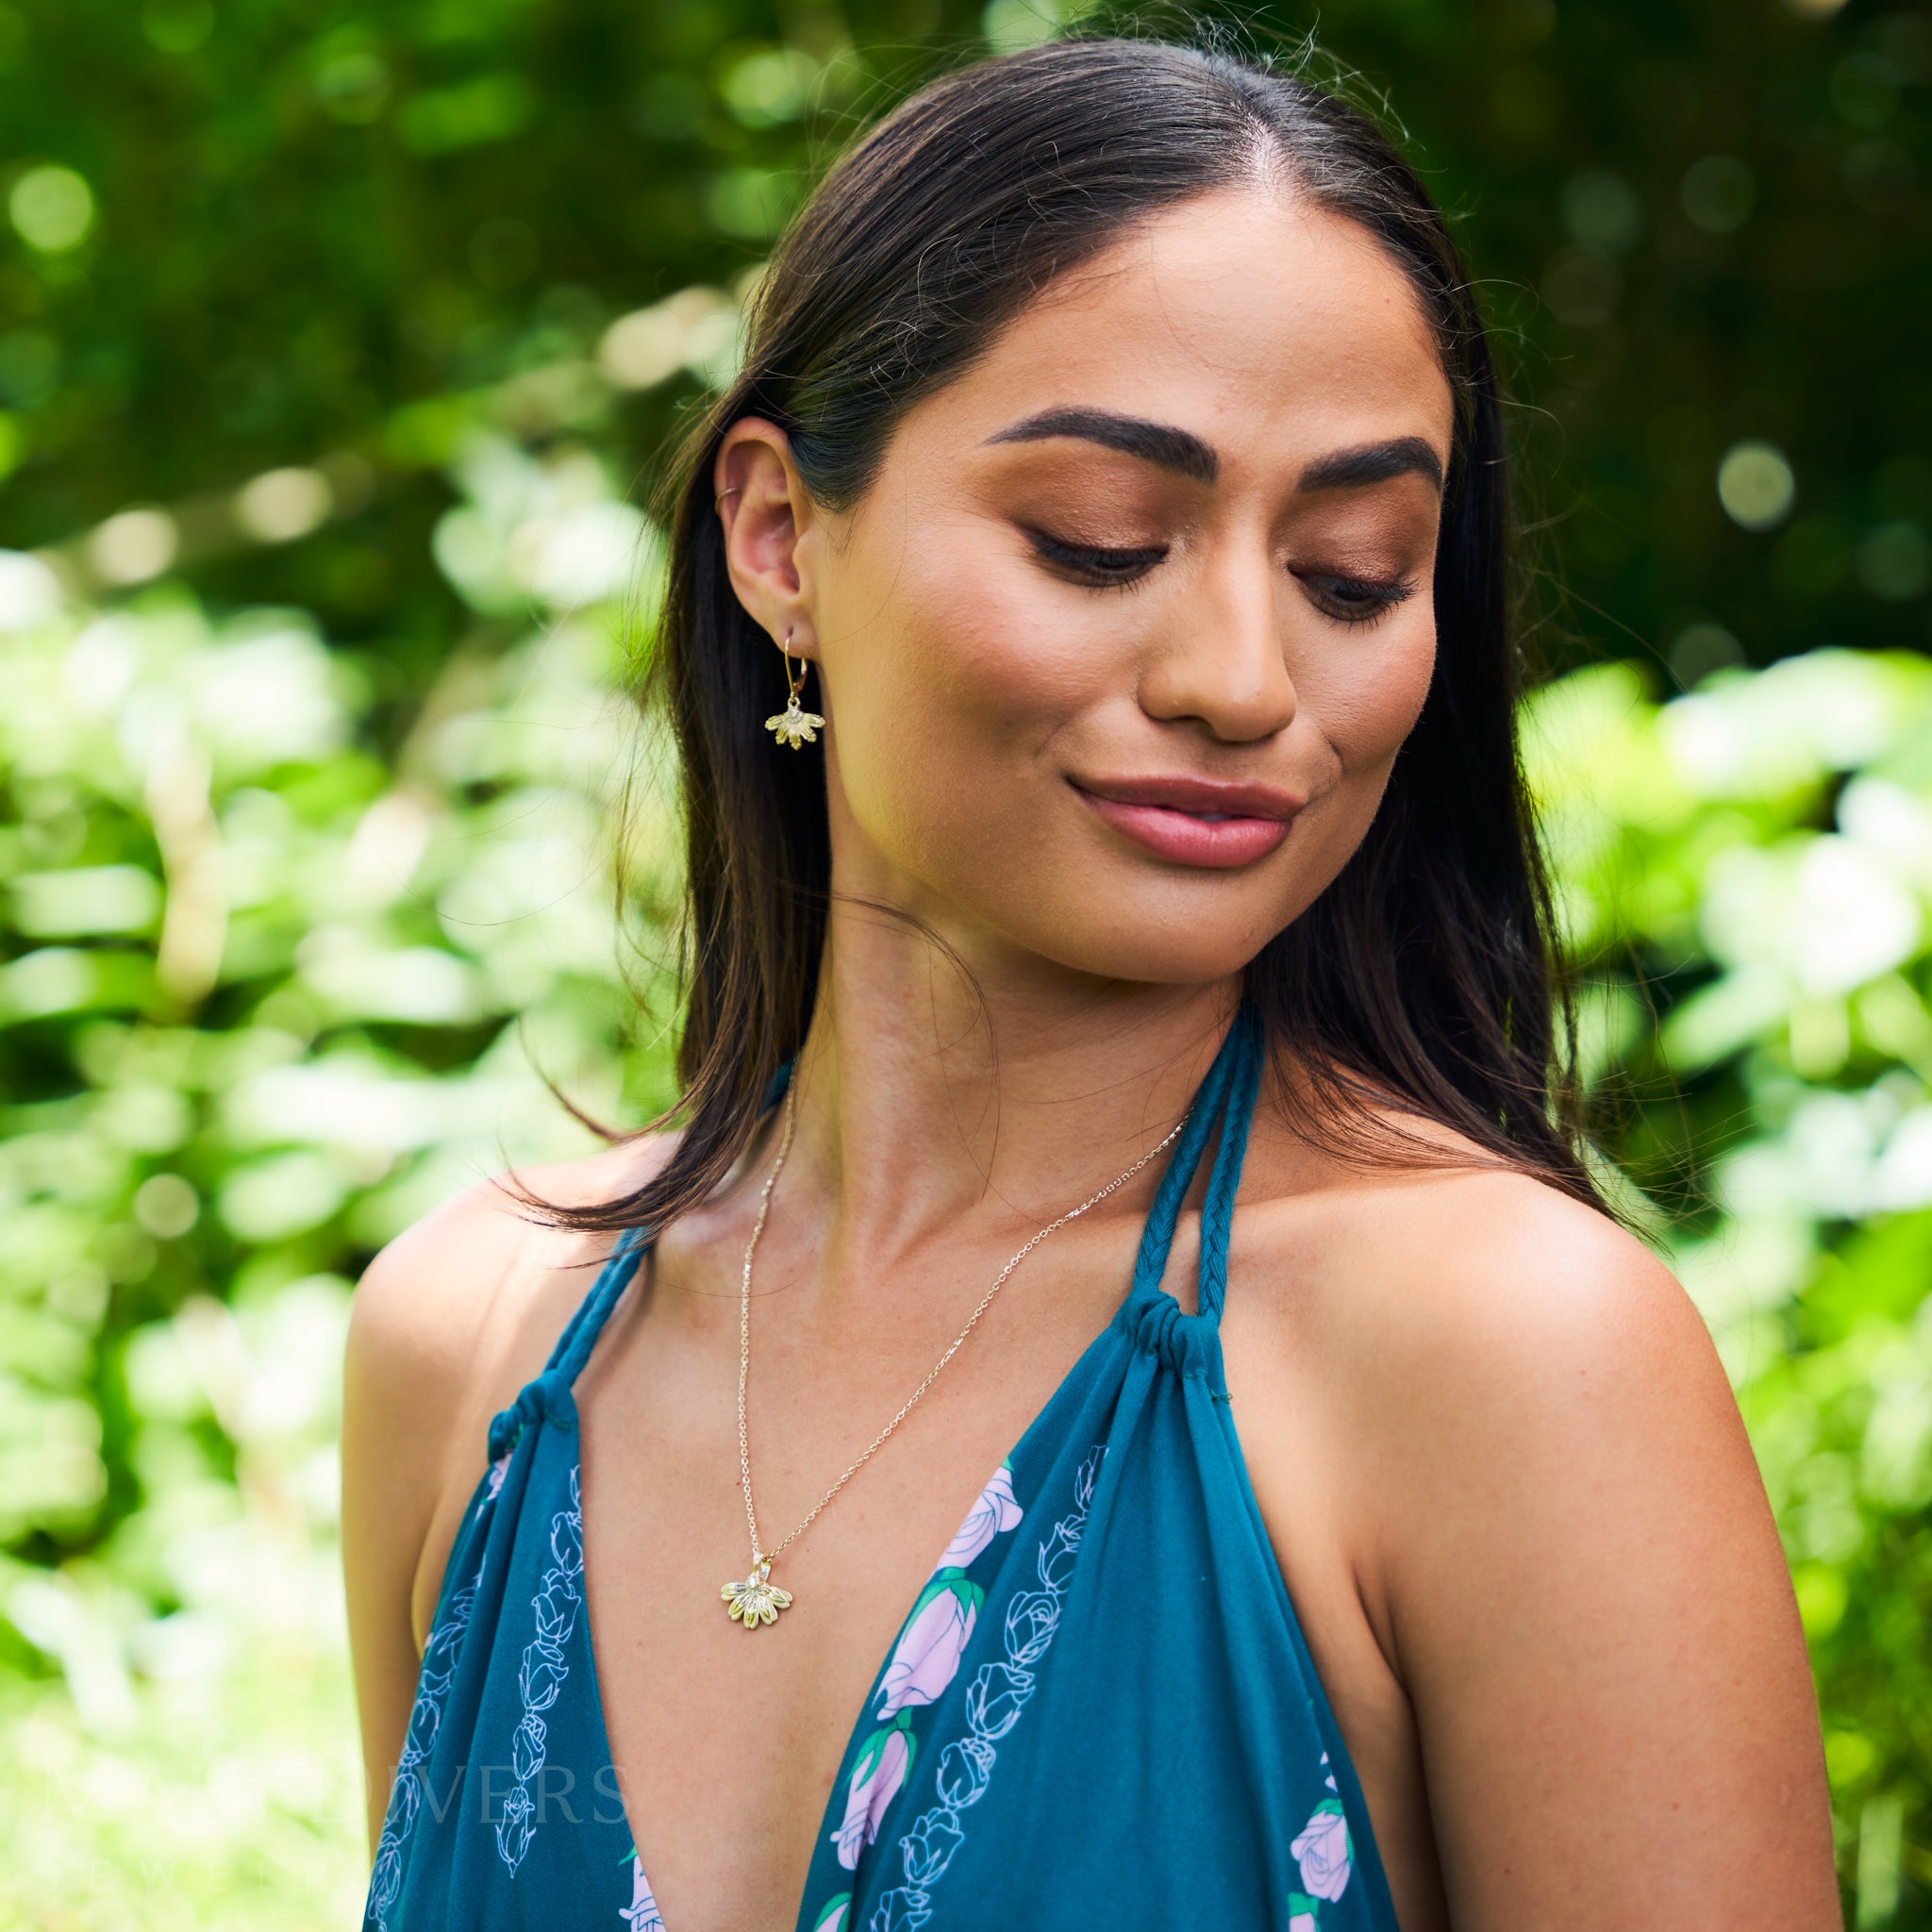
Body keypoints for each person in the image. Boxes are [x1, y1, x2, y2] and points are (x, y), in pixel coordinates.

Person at [341, 33, 1840, 1932]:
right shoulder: (468, 1341)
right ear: (781, 537)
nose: (1240, 674)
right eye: (1101, 541)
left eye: (1357, 571)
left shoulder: (1503, 1352)